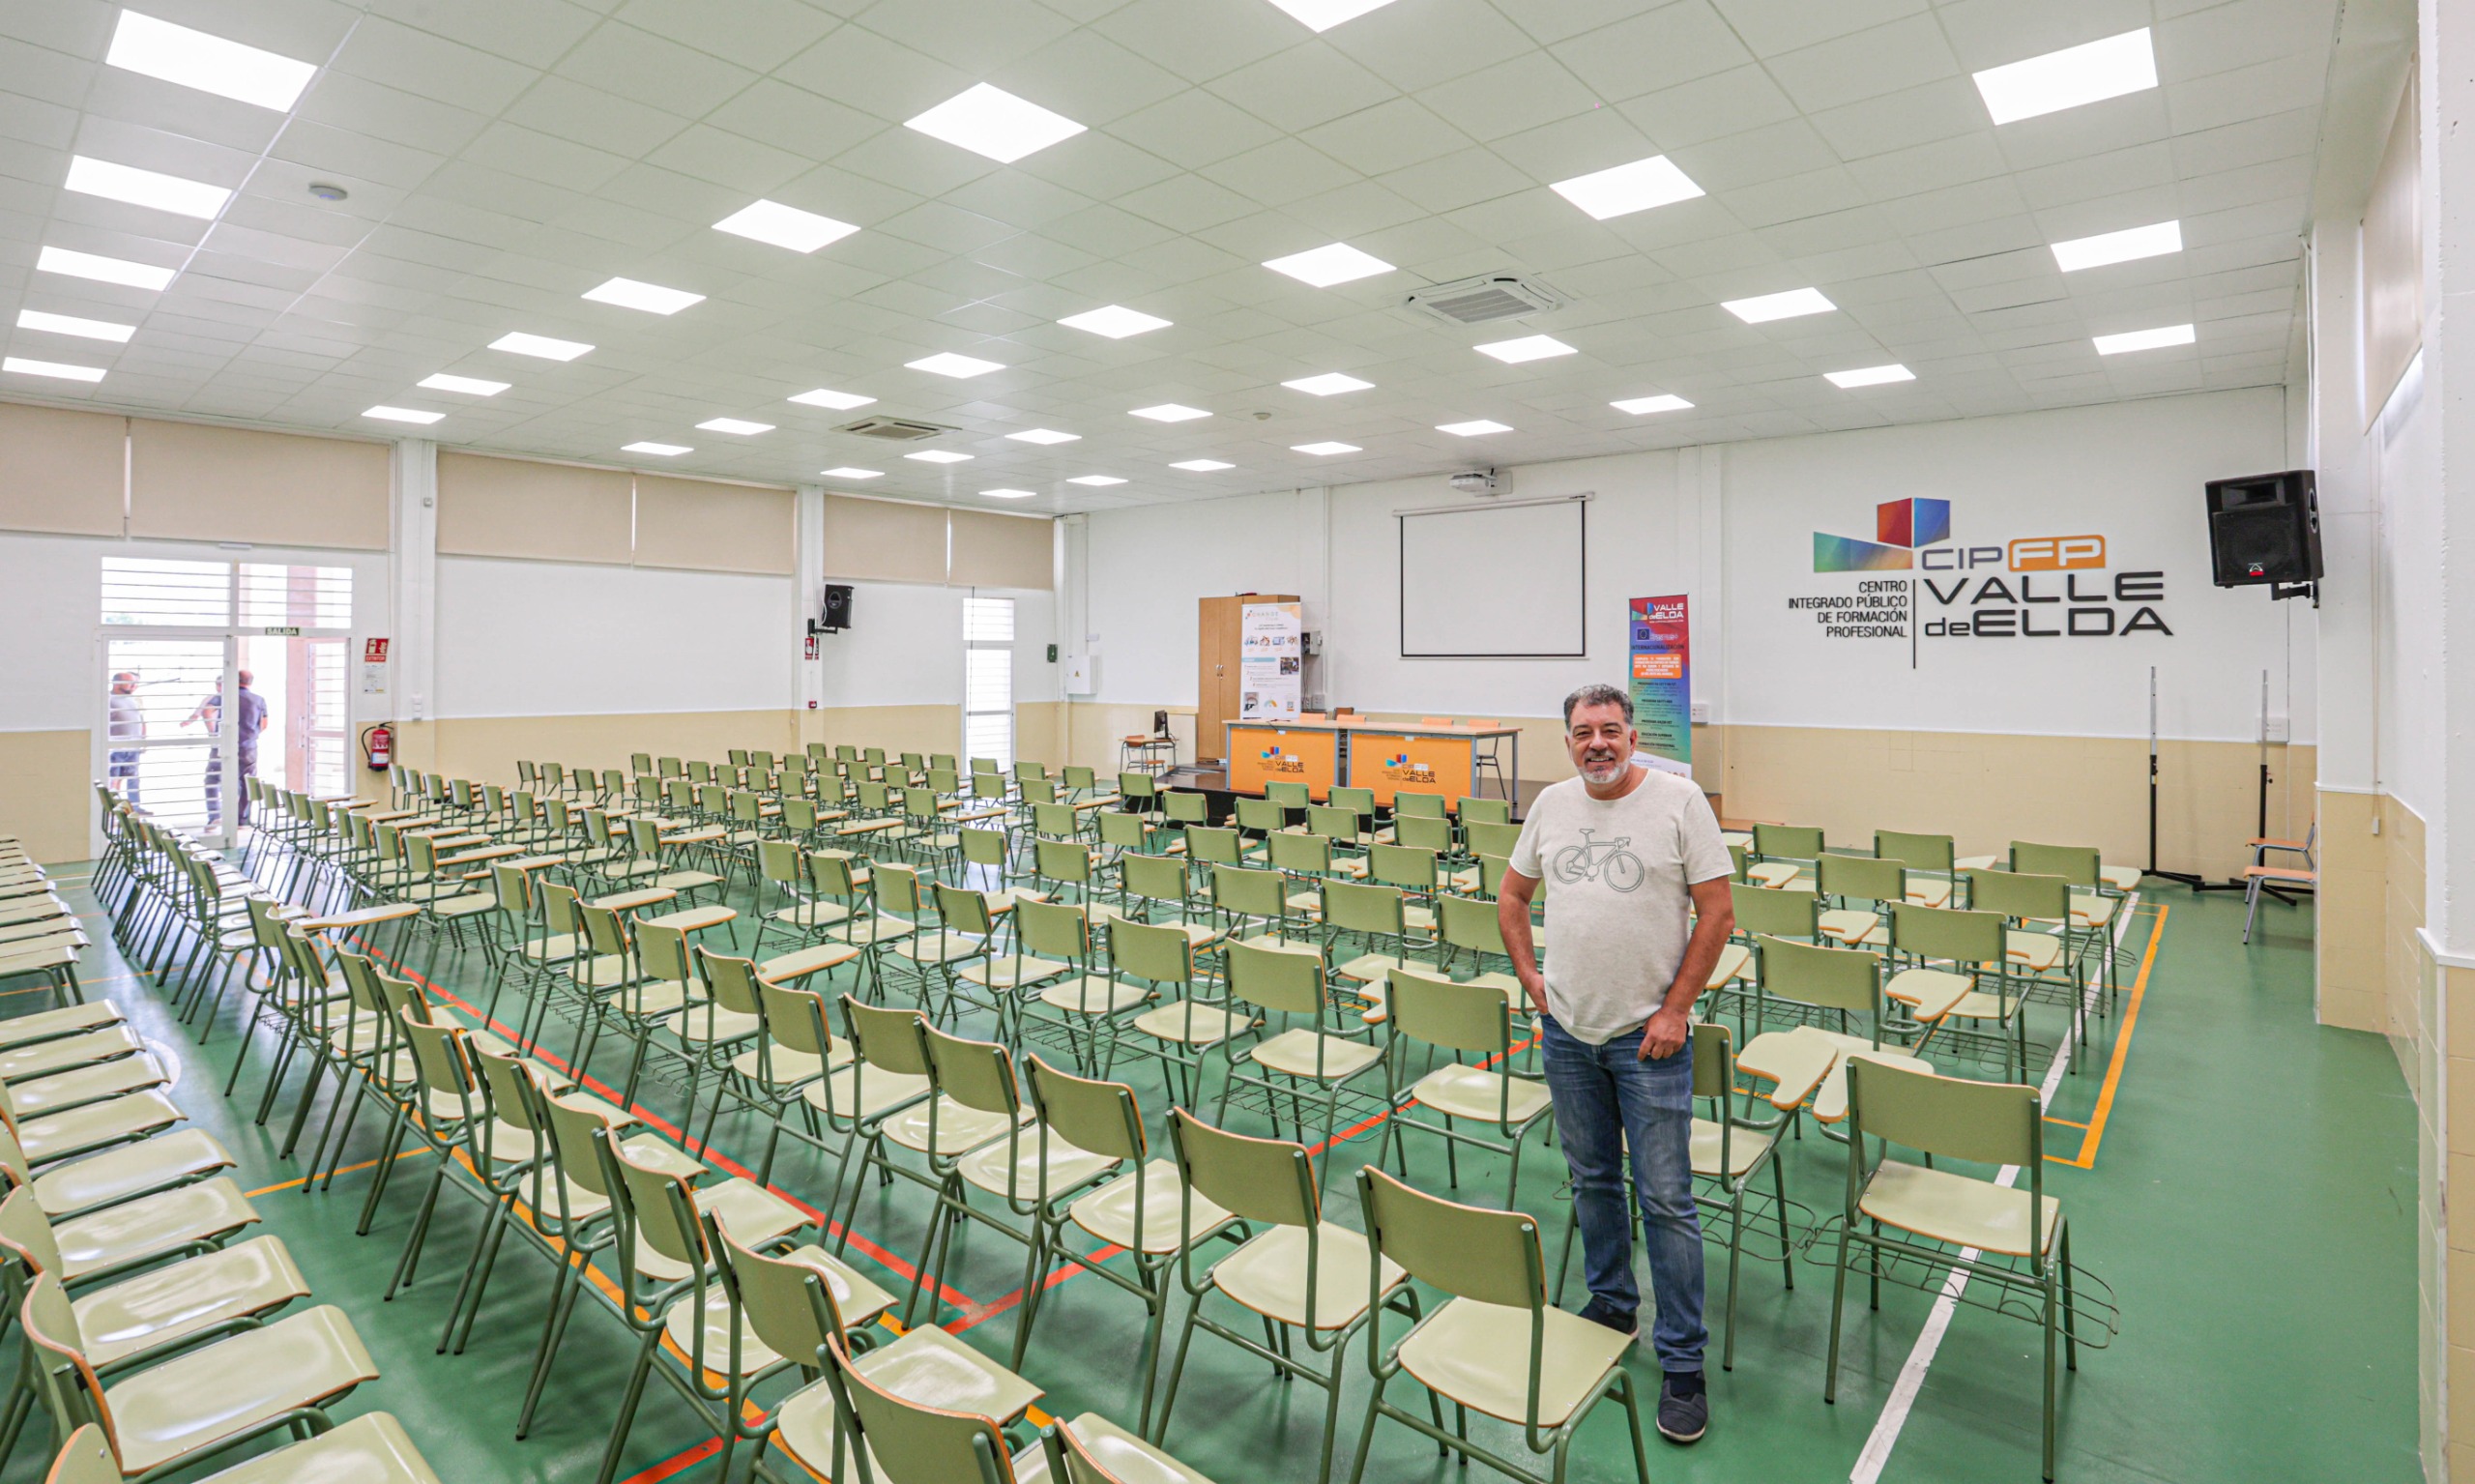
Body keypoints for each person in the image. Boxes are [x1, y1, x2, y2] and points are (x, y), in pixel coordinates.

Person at [1496, 683, 1734, 1445]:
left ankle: (1683, 1360)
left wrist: (1676, 1008)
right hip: (1567, 1032)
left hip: (1648, 1040)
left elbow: (1719, 911)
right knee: (1593, 1178)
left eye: (1608, 729)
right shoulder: (1551, 804)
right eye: (1581, 732)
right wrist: (1531, 977)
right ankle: (1611, 1304)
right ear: (1568, 741)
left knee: (1666, 1201)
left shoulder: (1680, 802)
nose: (1595, 742)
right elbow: (1511, 895)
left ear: (1632, 736)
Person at [187, 671, 269, 828]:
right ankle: (242, 819)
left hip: (223, 746)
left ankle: (215, 816)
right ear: (250, 682)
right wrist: (251, 734)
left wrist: (213, 731)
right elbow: (264, 724)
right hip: (248, 747)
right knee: (247, 783)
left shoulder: (225, 696)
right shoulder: (258, 699)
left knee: (212, 779)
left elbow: (207, 710)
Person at [106, 672, 143, 804]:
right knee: (113, 779)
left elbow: (139, 720)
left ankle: (134, 807)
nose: (133, 686)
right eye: (130, 683)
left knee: (131, 777)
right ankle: (113, 806)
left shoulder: (131, 699)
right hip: (116, 747)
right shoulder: (108, 699)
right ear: (117, 683)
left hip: (133, 747)